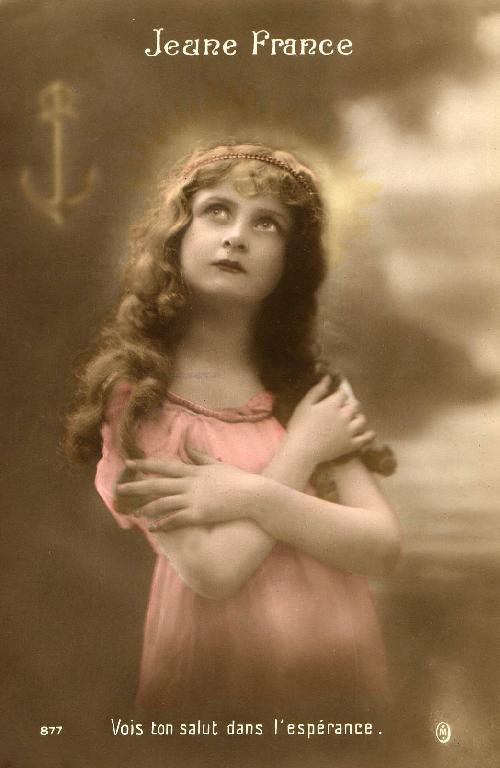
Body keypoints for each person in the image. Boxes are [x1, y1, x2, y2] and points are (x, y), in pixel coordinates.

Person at [64, 142, 401, 713]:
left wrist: (244, 493)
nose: (237, 236)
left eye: (266, 223)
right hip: (215, 675)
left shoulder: (306, 393)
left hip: (332, 672)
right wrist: (301, 452)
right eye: (217, 211)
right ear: (178, 236)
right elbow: (214, 571)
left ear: (289, 264)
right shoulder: (139, 397)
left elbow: (381, 547)